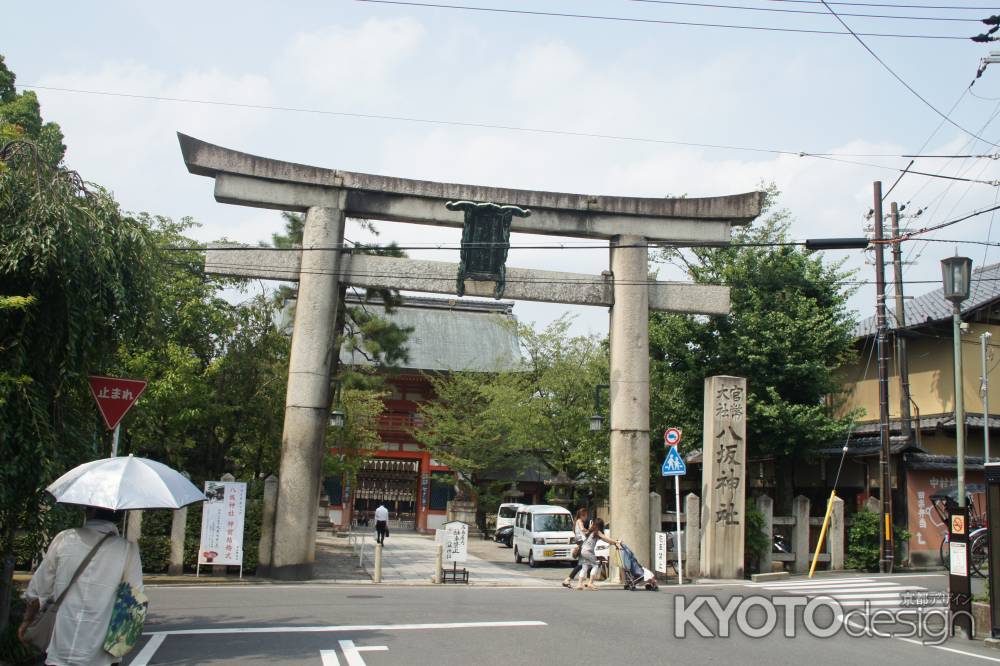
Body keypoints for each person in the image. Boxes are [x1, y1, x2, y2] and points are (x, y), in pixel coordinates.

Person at [19, 507, 143, 666]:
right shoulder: (127, 549)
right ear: (119, 515)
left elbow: (38, 590)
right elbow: (135, 599)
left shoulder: (65, 538)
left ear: (89, 512)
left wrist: (27, 620)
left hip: (60, 647)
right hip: (101, 653)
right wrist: (121, 643)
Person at [576, 518, 620, 590]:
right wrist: (616, 541)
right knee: (596, 565)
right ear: (600, 525)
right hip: (588, 551)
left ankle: (579, 584)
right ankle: (590, 583)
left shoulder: (591, 531)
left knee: (585, 567)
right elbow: (606, 538)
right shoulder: (597, 532)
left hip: (583, 551)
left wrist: (614, 543)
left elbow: (606, 540)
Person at [562, 507, 589, 588]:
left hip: (580, 543)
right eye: (586, 515)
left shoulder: (576, 522)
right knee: (583, 563)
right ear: (582, 515)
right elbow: (582, 529)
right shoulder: (579, 521)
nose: (586, 517)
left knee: (586, 563)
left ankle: (587, 581)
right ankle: (568, 579)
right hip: (582, 544)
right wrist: (589, 531)